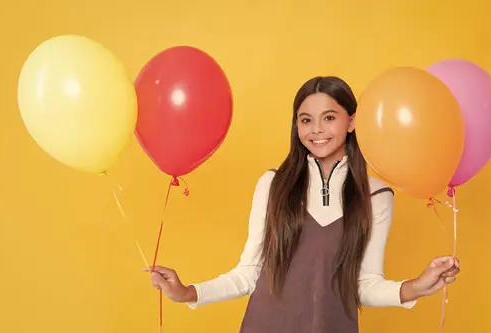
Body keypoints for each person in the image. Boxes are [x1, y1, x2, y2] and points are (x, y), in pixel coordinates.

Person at [145, 76, 461, 332]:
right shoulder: (273, 184)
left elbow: (363, 285)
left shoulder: (376, 196)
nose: (317, 130)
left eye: (329, 118)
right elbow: (250, 273)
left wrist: (417, 287)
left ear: (351, 122)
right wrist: (188, 292)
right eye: (306, 120)